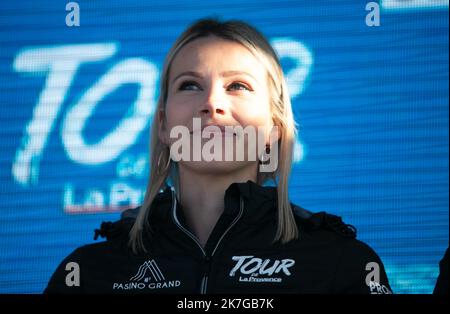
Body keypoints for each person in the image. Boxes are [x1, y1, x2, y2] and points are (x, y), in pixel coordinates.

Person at [44, 18, 392, 294]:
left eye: (237, 86)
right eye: (189, 85)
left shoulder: (340, 263)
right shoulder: (88, 273)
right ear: (163, 124)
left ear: (274, 128)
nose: (212, 103)